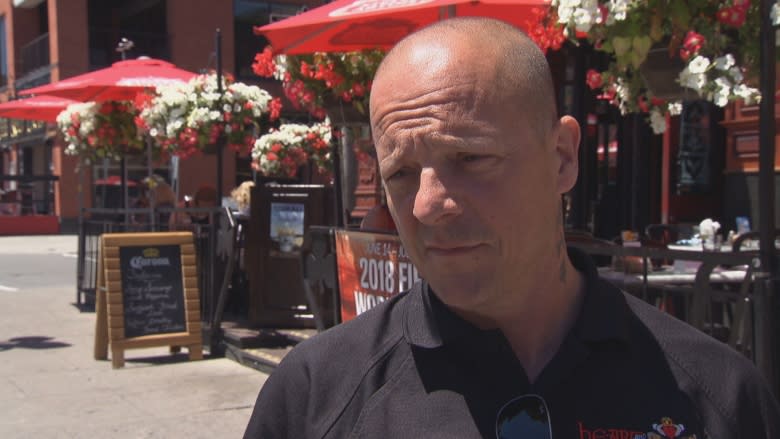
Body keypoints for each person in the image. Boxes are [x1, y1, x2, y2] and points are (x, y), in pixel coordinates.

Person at [244, 18, 780, 438]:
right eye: (402, 174)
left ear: (562, 157)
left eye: (470, 158)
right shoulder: (315, 394)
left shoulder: (718, 394)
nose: (429, 205)